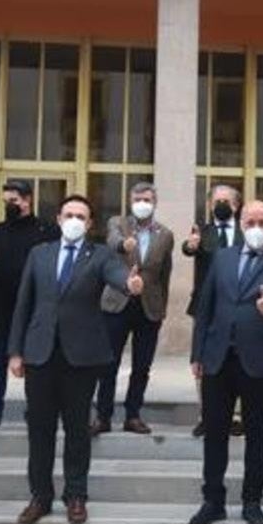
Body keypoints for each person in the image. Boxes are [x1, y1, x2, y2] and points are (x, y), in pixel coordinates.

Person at [8, 195, 142, 524]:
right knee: (39, 430)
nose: (74, 220)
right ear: (58, 218)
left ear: (90, 223)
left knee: (77, 431)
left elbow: (117, 276)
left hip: (80, 358)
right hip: (40, 354)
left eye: (81, 216)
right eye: (69, 214)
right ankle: (40, 496)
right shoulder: (40, 254)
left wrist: (130, 283)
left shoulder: (100, 255)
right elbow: (24, 303)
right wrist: (15, 351)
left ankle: (76, 495)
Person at [188, 200, 263, 524]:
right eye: (250, 221)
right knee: (215, 432)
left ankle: (252, 501)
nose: (255, 227)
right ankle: (213, 500)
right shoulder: (222, 258)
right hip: (218, 357)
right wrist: (197, 354)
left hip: (258, 359)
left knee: (257, 433)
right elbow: (205, 306)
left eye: (262, 222)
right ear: (240, 224)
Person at [0, 179, 58, 435]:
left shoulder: (46, 230)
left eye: (14, 200)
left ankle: (34, 410)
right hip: (1, 307)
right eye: (6, 201)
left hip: (34, 307)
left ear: (27, 199)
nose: (10, 205)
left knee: (34, 364)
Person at [95, 181, 175, 435]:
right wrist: (124, 245)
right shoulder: (118, 224)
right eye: (138, 199)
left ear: (154, 202)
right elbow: (113, 241)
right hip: (117, 302)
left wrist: (161, 307)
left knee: (142, 366)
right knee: (108, 363)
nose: (142, 204)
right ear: (131, 201)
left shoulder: (165, 235)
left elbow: (165, 274)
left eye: (147, 199)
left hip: (148, 307)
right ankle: (103, 416)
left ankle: (133, 415)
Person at [182, 184, 244, 438]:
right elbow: (188, 249)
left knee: (237, 358)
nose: (221, 205)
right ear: (209, 205)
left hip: (238, 306)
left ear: (236, 206)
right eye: (216, 200)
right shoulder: (202, 231)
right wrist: (191, 245)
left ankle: (236, 415)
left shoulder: (245, 233)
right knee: (203, 361)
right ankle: (206, 415)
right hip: (207, 307)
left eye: (226, 201)